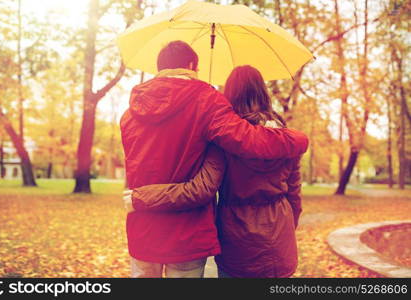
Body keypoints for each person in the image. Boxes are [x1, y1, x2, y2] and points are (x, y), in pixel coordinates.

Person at [120, 41, 307, 278]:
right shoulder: (207, 102)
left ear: (160, 67)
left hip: (143, 227)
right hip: (188, 232)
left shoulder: (130, 113)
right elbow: (250, 141)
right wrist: (296, 140)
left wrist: (139, 198)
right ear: (191, 65)